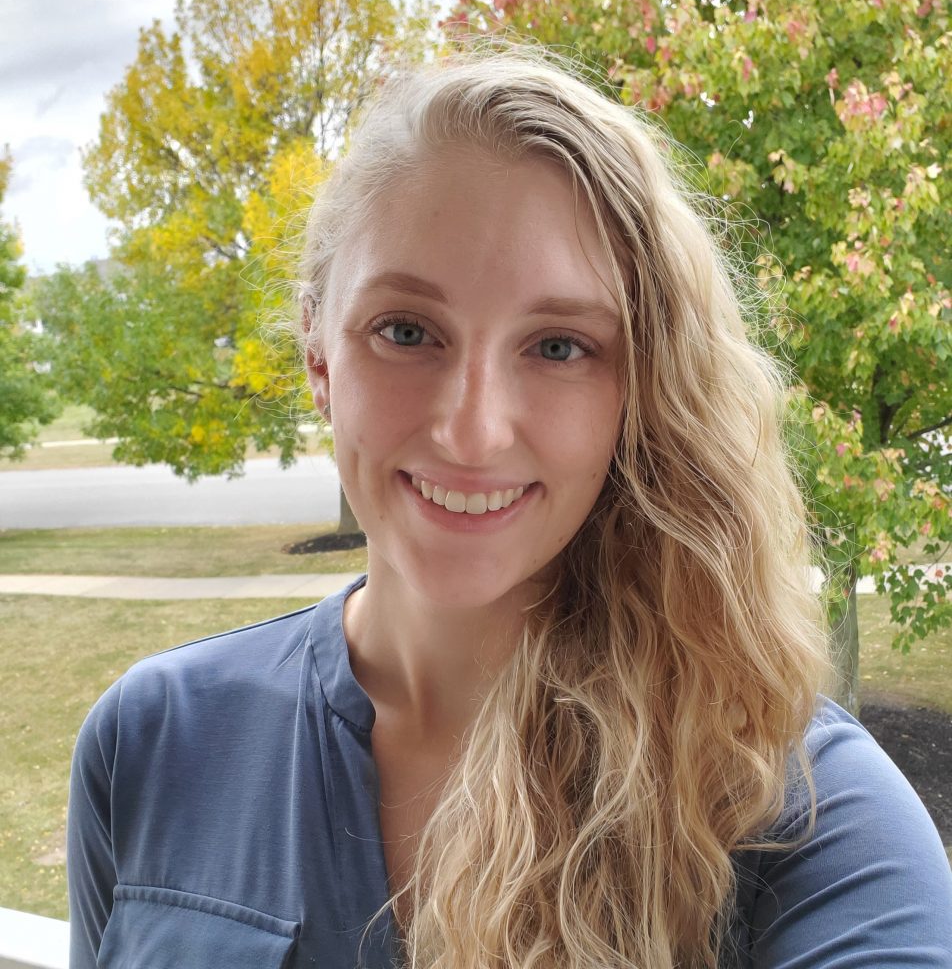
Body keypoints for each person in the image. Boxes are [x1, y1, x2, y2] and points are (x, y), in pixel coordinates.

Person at [67, 50, 952, 969]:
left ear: (642, 390)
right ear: (318, 355)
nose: (472, 432)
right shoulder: (152, 742)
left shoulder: (802, 816)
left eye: (558, 346)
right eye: (406, 331)